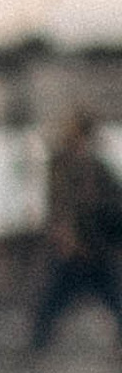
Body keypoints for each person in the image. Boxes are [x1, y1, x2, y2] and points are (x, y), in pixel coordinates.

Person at [29, 110, 122, 353]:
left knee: (112, 297)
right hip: (74, 249)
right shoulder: (64, 166)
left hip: (95, 248)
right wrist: (63, 236)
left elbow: (113, 202)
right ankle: (37, 344)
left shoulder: (96, 168)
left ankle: (37, 343)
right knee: (54, 299)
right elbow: (60, 206)